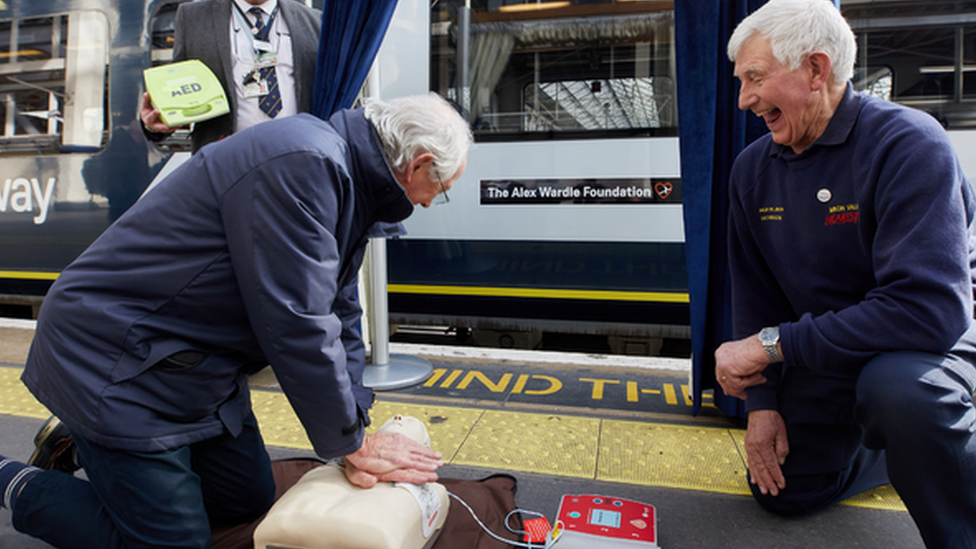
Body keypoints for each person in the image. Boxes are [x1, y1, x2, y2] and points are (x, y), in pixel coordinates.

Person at [0, 92, 472, 549]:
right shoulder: (306, 165)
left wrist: (356, 422)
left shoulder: (347, 180)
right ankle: (15, 478)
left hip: (191, 364)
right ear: (417, 163)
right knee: (176, 543)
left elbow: (340, 310)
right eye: (440, 191)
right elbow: (298, 322)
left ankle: (85, 445)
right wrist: (352, 445)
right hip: (117, 359)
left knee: (247, 501)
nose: (430, 203)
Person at [714, 0, 976, 547]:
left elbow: (929, 311)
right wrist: (761, 407)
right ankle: (894, 449)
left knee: (901, 393)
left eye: (755, 78)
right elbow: (757, 297)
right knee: (784, 493)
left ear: (816, 69)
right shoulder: (753, 169)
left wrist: (771, 346)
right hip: (830, 350)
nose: (744, 100)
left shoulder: (909, 143)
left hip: (930, 347)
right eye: (741, 82)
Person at [141, 0, 321, 153]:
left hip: (296, 161)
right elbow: (177, 85)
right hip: (225, 166)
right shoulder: (193, 17)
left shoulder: (314, 21)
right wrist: (157, 121)